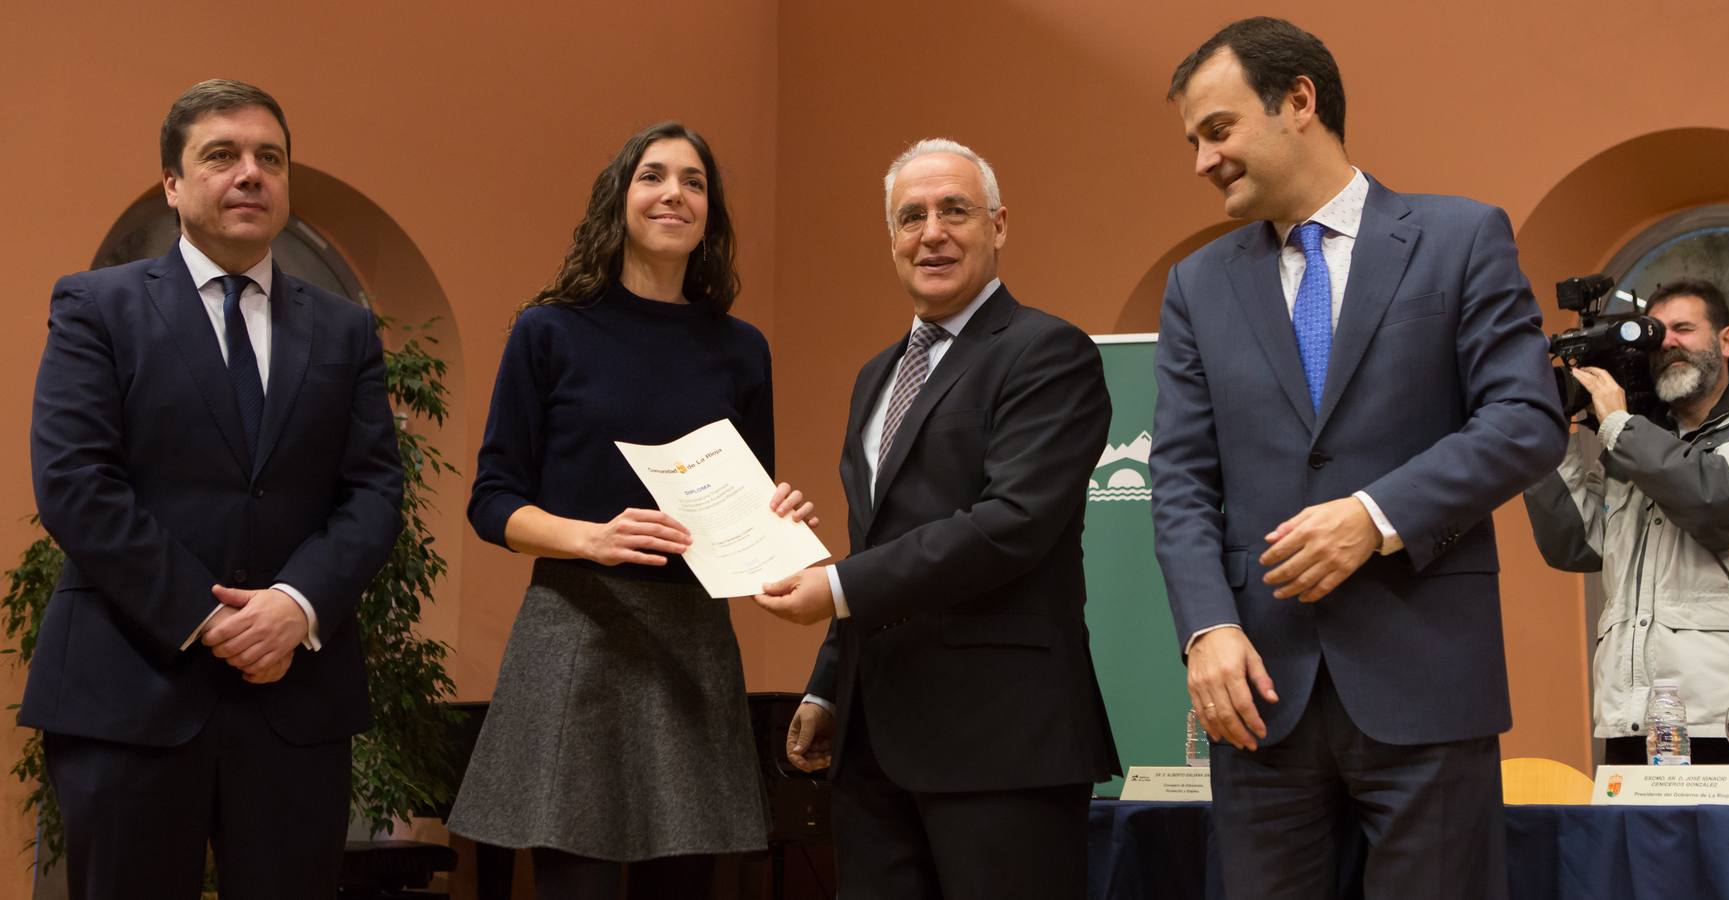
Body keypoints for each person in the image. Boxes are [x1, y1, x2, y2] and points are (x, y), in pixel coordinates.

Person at [1150, 18, 1567, 899]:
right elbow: (1181, 481)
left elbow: (1526, 419)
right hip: (1258, 698)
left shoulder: (1459, 240)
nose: (1200, 160)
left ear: (1297, 100)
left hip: (1427, 684)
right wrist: (1205, 629)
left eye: (1217, 130)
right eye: (1191, 141)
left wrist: (1374, 517)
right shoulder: (1196, 286)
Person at [23, 79, 404, 898]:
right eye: (222, 156)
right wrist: (211, 617)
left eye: (270, 157)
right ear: (172, 184)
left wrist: (296, 604)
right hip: (130, 690)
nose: (251, 174)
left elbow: (373, 492)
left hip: (295, 699)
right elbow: (74, 483)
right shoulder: (97, 307)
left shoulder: (345, 327)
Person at [446, 121, 816, 900]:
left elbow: (745, 498)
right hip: (575, 627)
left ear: (709, 213)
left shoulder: (742, 349)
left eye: (693, 181)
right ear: (619, 199)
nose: (672, 194)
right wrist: (589, 537)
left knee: (682, 885)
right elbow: (491, 501)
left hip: (692, 640)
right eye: (653, 176)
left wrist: (776, 520)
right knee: (572, 881)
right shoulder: (548, 330)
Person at [753, 138, 1119, 900]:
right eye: (909, 216)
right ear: (890, 239)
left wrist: (837, 588)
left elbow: (1011, 523)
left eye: (954, 210)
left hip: (1002, 744)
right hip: (872, 743)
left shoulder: (1047, 352)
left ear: (998, 225)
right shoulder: (875, 376)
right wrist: (826, 687)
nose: (931, 233)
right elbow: (874, 542)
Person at [1525, 279, 1729, 770]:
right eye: (1656, 332)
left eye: (1684, 329)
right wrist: (1552, 433)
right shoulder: (1637, 441)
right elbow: (1576, 545)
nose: (1667, 341)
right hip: (1631, 717)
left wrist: (1617, 425)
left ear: (1727, 341)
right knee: (1633, 850)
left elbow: (1713, 498)